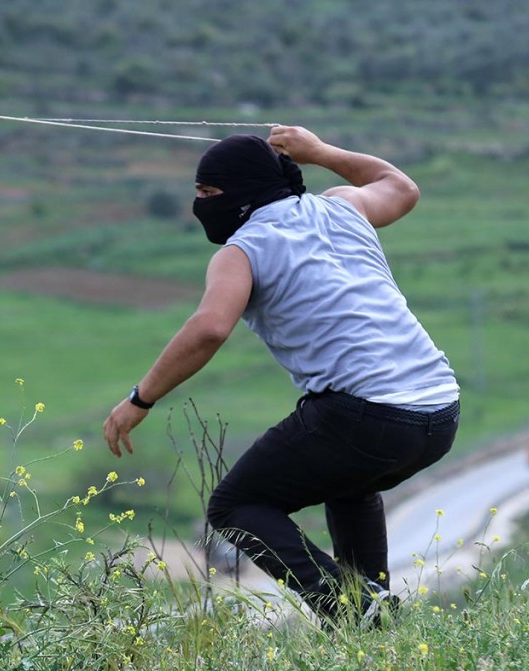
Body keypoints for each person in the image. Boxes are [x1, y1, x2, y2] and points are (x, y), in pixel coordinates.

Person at [102, 126, 460, 626]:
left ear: (242, 195)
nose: (199, 203)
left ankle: (352, 607)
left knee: (236, 505)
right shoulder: (342, 207)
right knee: (349, 482)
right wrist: (322, 153)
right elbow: (401, 187)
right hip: (439, 412)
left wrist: (139, 399)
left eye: (208, 193)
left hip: (366, 415)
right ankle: (373, 624)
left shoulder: (242, 250)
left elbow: (208, 329)